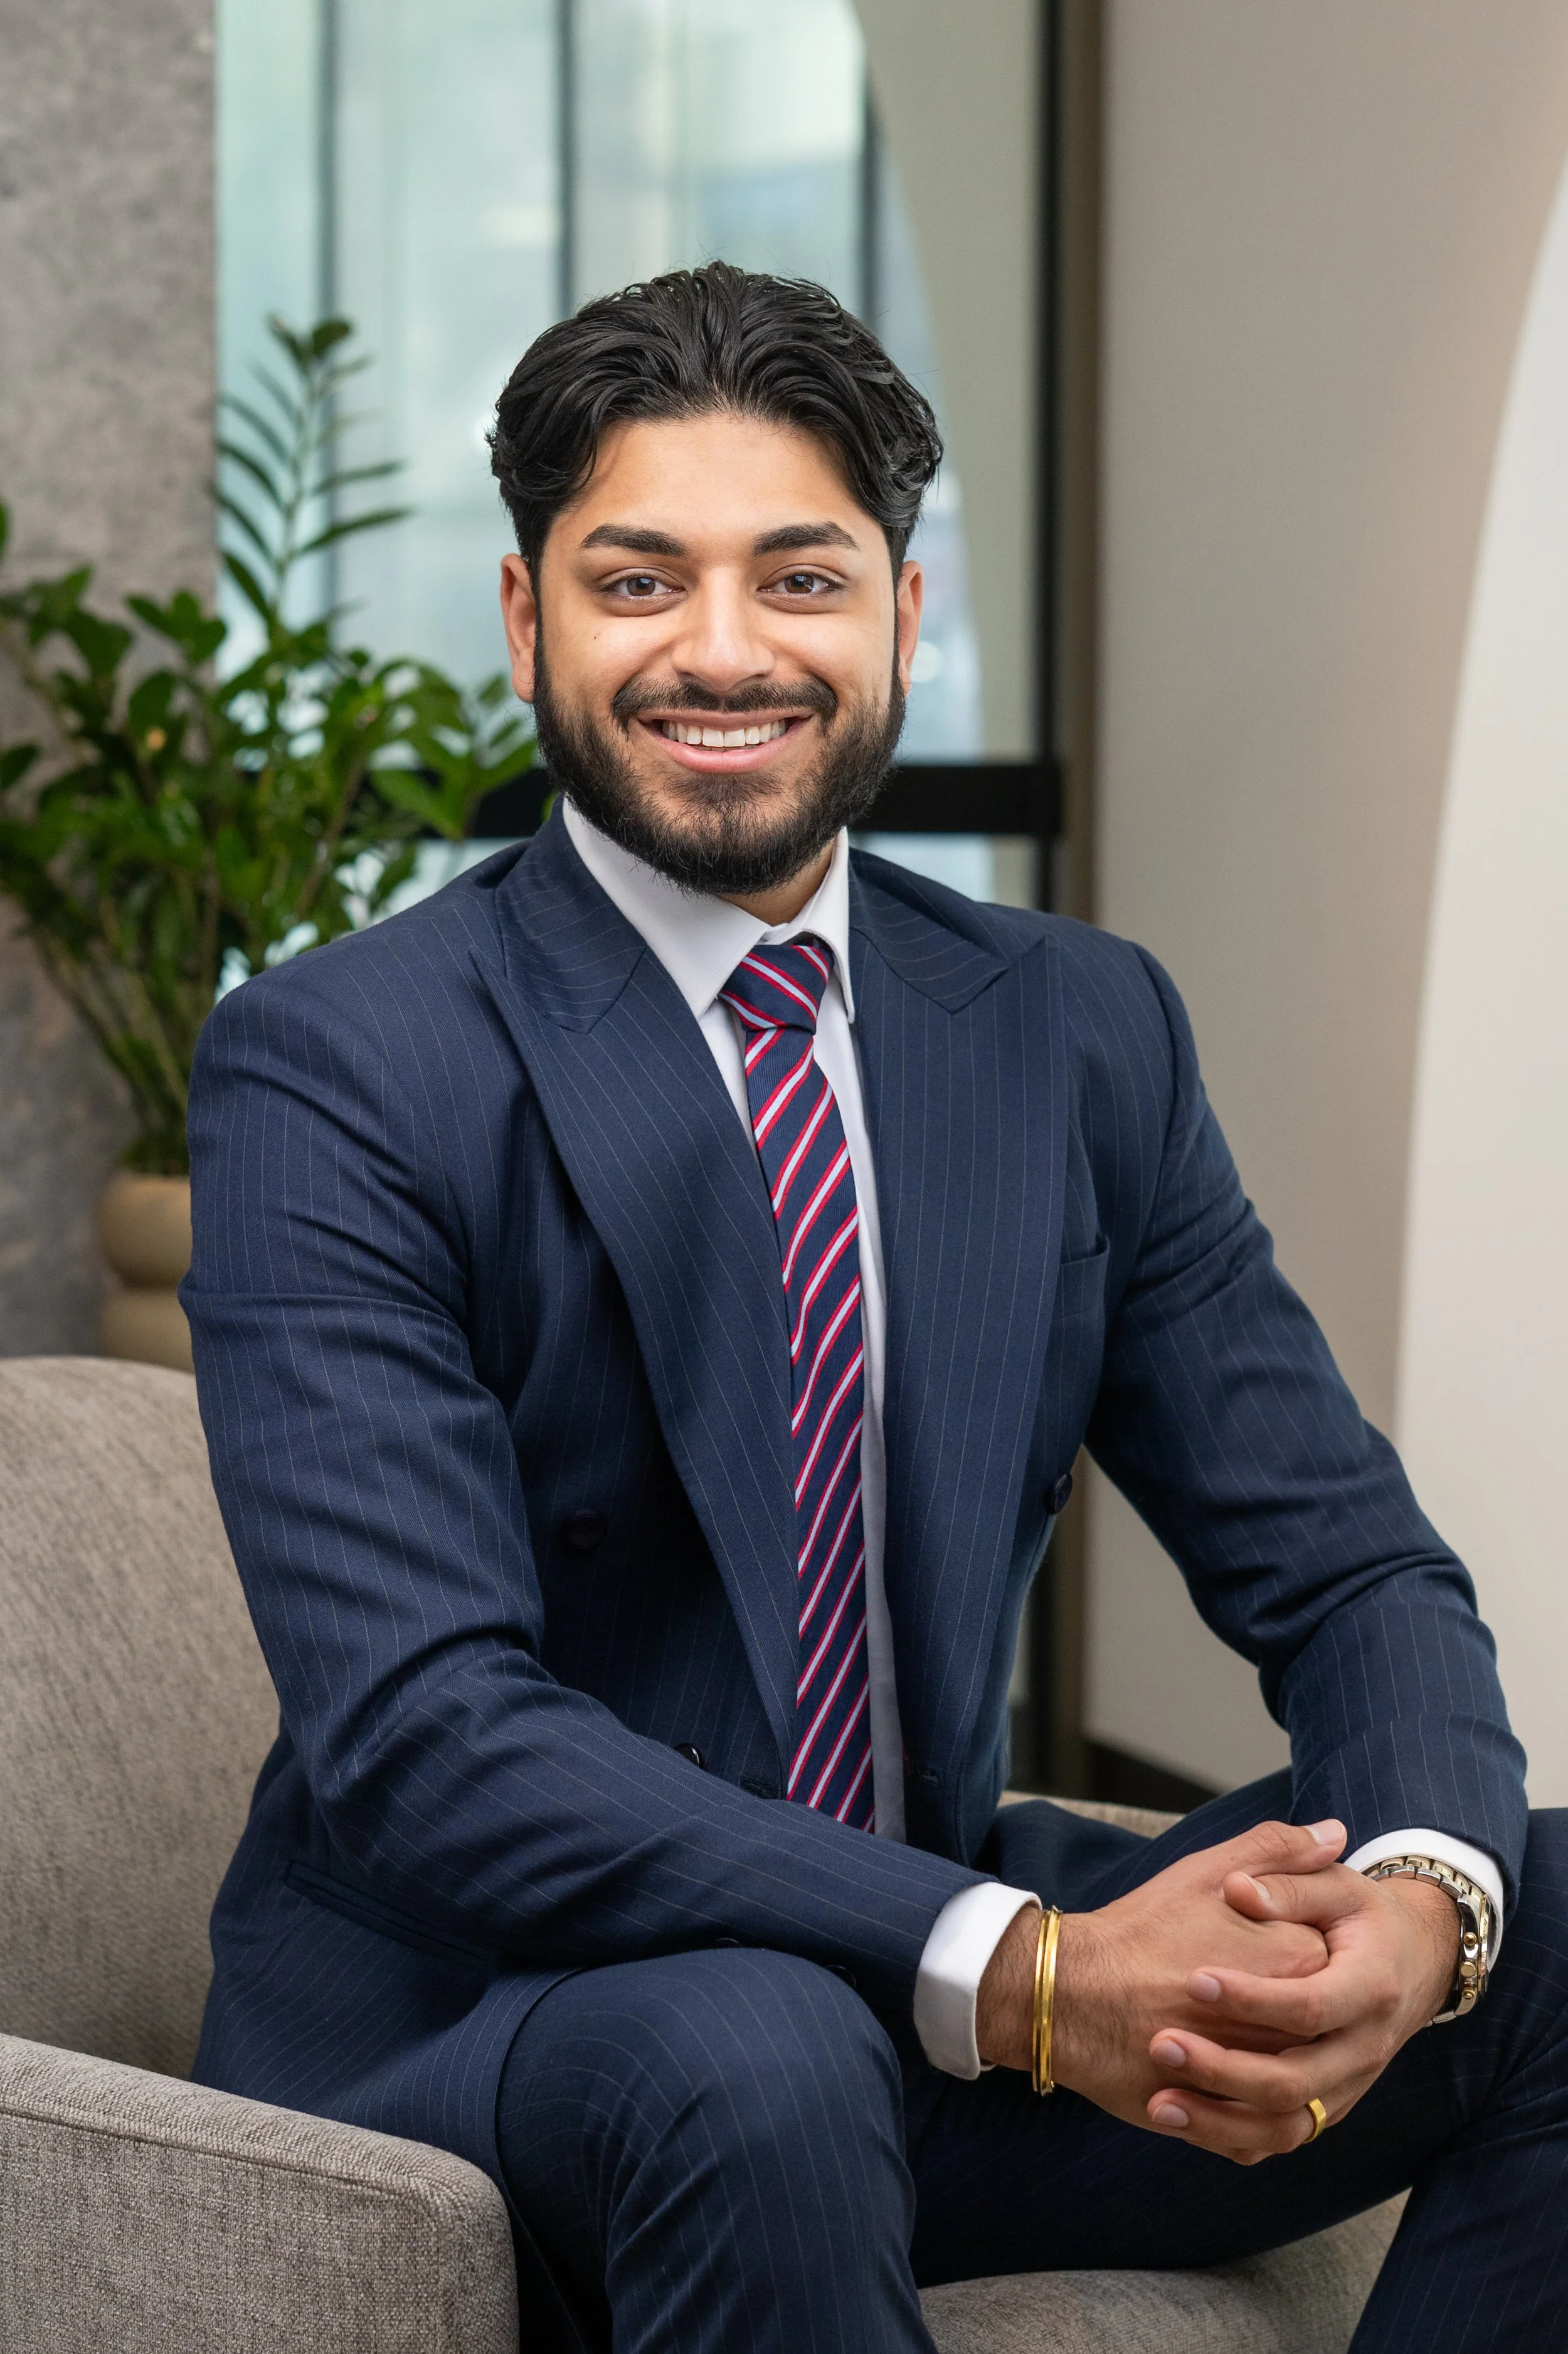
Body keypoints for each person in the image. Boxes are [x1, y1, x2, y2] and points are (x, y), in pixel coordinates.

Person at [184, 262, 1568, 2353]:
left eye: (801, 578)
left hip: (914, 1982)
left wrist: (1419, 1895)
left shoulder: (1073, 1027)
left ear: (902, 618)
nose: (723, 650)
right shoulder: (340, 1063)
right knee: (754, 2047)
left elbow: (1348, 1565)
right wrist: (1019, 1966)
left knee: (1547, 1911)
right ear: (528, 621)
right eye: (637, 581)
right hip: (509, 2017)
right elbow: (429, 1741)